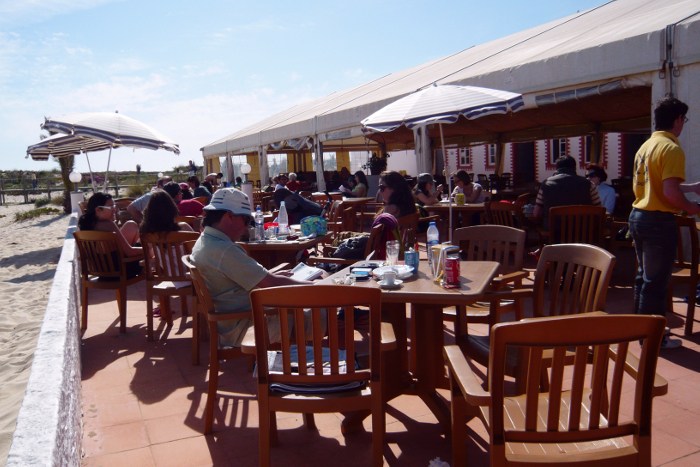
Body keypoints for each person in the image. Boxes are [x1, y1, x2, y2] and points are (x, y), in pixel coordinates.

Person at [190, 188, 315, 347]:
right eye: (246, 221)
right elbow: (270, 283)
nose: (247, 228)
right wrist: (320, 288)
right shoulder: (224, 250)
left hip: (229, 323)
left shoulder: (205, 241)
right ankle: (330, 359)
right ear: (229, 216)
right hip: (246, 326)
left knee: (303, 295)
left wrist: (269, 276)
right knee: (318, 308)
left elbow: (232, 279)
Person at [629, 97, 700, 349]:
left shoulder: (646, 146)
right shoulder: (671, 149)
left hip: (638, 215)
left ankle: (641, 331)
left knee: (643, 278)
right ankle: (654, 339)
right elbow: (670, 194)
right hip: (658, 220)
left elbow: (658, 186)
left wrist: (692, 188)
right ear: (678, 120)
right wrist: (694, 208)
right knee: (656, 282)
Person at [533, 155, 601, 226]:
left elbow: (536, 213)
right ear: (574, 168)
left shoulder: (546, 184)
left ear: (557, 168)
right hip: (584, 232)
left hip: (555, 232)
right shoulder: (589, 184)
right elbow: (599, 210)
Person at [78, 192, 143, 260]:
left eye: (114, 206)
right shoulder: (108, 225)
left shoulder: (87, 224)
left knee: (131, 225)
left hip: (99, 267)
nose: (115, 209)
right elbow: (130, 252)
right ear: (98, 210)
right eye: (110, 207)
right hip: (121, 267)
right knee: (146, 242)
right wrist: (150, 249)